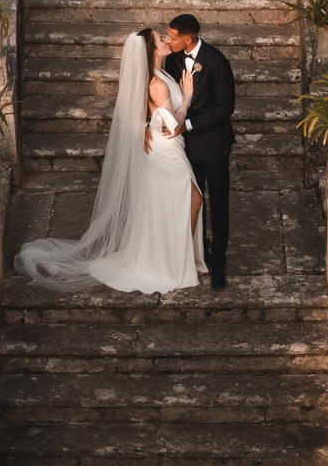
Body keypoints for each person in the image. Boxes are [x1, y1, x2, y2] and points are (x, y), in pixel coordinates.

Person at [12, 26, 204, 294]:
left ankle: (171, 260)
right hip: (165, 151)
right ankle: (174, 264)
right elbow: (172, 125)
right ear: (151, 50)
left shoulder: (158, 74)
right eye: (160, 39)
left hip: (162, 147)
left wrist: (142, 127)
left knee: (167, 204)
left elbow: (139, 110)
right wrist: (187, 99)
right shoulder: (157, 83)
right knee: (193, 200)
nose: (165, 40)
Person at [158, 12, 235, 290]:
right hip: (187, 147)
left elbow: (225, 107)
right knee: (193, 201)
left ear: (187, 40)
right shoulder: (173, 59)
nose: (168, 40)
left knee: (218, 203)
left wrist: (187, 124)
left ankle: (219, 262)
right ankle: (199, 253)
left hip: (214, 145)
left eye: (172, 37)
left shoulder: (216, 61)